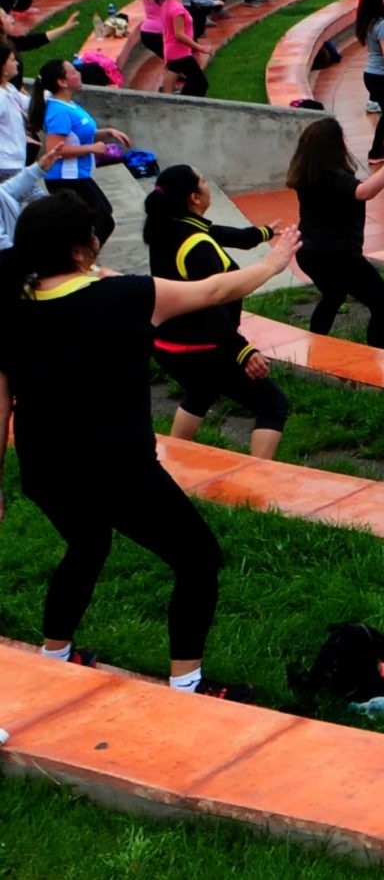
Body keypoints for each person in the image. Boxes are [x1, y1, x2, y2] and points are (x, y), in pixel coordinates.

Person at [0, 193, 299, 694]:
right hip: (117, 468)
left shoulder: (10, 306)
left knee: (88, 542)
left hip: (44, 467)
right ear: (80, 250)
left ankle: (56, 653)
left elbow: (1, 405)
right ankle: (187, 683)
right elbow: (215, 290)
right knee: (197, 558)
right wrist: (273, 261)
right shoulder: (127, 298)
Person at [141, 167, 292, 461]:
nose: (208, 185)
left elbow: (218, 233)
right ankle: (264, 478)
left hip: (166, 344)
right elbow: (213, 304)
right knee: (272, 405)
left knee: (202, 389)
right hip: (200, 347)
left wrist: (264, 233)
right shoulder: (197, 248)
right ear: (195, 197)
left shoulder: (169, 226)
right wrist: (243, 352)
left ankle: (173, 461)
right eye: (203, 182)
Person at [287, 118, 384, 346]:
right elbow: (365, 192)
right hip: (339, 257)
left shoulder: (306, 175)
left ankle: (316, 347)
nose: (346, 141)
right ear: (333, 148)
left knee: (333, 294)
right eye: (342, 138)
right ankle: (375, 360)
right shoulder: (335, 180)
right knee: (382, 304)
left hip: (308, 253)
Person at [31, 58, 130, 240]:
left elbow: (78, 135)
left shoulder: (69, 105)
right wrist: (92, 148)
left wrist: (107, 132)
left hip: (78, 175)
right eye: (73, 72)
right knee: (103, 221)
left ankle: (79, 258)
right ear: (62, 82)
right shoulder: (59, 112)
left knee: (99, 216)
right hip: (65, 178)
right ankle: (80, 260)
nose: (79, 73)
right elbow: (56, 150)